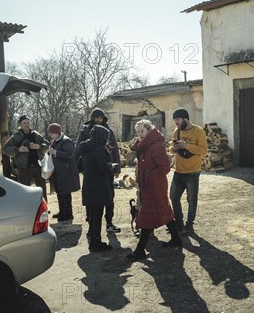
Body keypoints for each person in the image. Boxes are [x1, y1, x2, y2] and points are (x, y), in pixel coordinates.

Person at [127, 120, 182, 260]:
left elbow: (165, 167)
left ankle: (140, 250)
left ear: (149, 130)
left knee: (146, 215)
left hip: (154, 186)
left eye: (142, 131)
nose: (140, 134)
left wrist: (149, 178)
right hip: (148, 186)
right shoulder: (144, 145)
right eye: (138, 132)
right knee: (165, 211)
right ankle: (176, 239)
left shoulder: (156, 145)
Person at [75, 108, 121, 233]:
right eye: (96, 117)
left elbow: (115, 149)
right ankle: (92, 225)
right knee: (93, 200)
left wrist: (117, 168)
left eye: (101, 118)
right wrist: (82, 168)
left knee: (110, 196)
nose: (98, 120)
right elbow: (78, 150)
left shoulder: (108, 131)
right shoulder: (85, 130)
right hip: (92, 170)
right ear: (92, 118)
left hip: (107, 168)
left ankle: (109, 222)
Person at [169, 108, 208, 231]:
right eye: (175, 120)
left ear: (185, 119)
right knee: (173, 197)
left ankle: (190, 222)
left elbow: (203, 150)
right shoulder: (177, 131)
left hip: (193, 172)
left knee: (191, 199)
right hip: (178, 171)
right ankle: (178, 222)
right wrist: (174, 148)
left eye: (178, 119)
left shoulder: (198, 131)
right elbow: (170, 149)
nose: (176, 122)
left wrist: (186, 146)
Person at [77, 124, 114, 252]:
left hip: (88, 184)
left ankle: (93, 240)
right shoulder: (98, 149)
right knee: (97, 215)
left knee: (92, 215)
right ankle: (96, 242)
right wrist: (110, 165)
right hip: (98, 186)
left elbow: (79, 166)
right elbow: (102, 169)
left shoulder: (85, 147)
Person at [3, 115, 49, 202]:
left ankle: (44, 209)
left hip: (38, 166)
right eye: (24, 123)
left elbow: (47, 145)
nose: (26, 125)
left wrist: (39, 146)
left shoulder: (36, 135)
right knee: (24, 190)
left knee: (42, 189)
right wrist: (18, 150)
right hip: (23, 168)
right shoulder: (16, 137)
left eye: (28, 123)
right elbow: (6, 150)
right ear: (20, 124)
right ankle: (27, 209)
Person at [47, 123, 80, 224]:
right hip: (58, 172)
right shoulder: (56, 141)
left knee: (65, 193)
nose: (50, 135)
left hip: (66, 172)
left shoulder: (66, 141)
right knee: (59, 193)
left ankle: (68, 214)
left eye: (52, 133)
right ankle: (62, 212)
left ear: (57, 133)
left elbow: (69, 154)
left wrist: (55, 152)